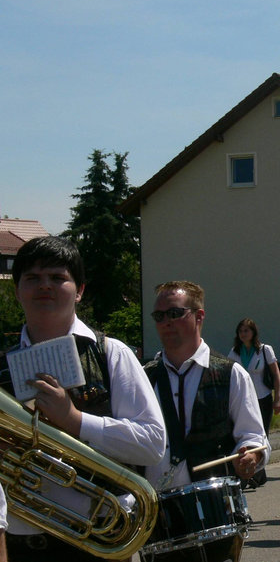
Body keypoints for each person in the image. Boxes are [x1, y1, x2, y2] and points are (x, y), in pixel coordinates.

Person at [2, 236, 166, 561]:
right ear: (17, 291)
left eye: (57, 277)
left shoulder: (110, 354)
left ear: (79, 290)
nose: (44, 286)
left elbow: (152, 444)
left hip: (101, 540)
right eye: (32, 278)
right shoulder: (2, 368)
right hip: (24, 544)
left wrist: (75, 421)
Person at [143, 281, 268, 560]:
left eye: (175, 313)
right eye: (159, 316)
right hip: (159, 518)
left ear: (199, 316)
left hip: (215, 513)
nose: (166, 322)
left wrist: (249, 458)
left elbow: (253, 437)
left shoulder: (230, 374)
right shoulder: (144, 378)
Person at [228, 318, 280, 488]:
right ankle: (250, 474)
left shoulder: (265, 350)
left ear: (253, 332)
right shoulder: (234, 352)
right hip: (243, 401)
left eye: (247, 330)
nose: (244, 334)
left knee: (260, 436)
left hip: (262, 398)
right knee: (242, 436)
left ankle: (257, 472)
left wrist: (278, 397)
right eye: (241, 331)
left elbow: (276, 374)